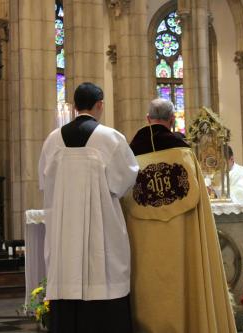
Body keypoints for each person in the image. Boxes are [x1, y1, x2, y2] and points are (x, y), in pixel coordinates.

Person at [123, 98, 236, 333]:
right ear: (172, 121)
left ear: (147, 119)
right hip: (181, 242)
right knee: (185, 280)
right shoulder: (184, 153)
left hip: (144, 244)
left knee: (148, 287)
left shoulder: (130, 155)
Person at [38, 82, 139, 333]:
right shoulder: (110, 138)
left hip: (64, 236)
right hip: (101, 231)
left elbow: (45, 184)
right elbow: (125, 181)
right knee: (103, 275)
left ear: (74, 107)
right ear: (100, 105)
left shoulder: (53, 140)